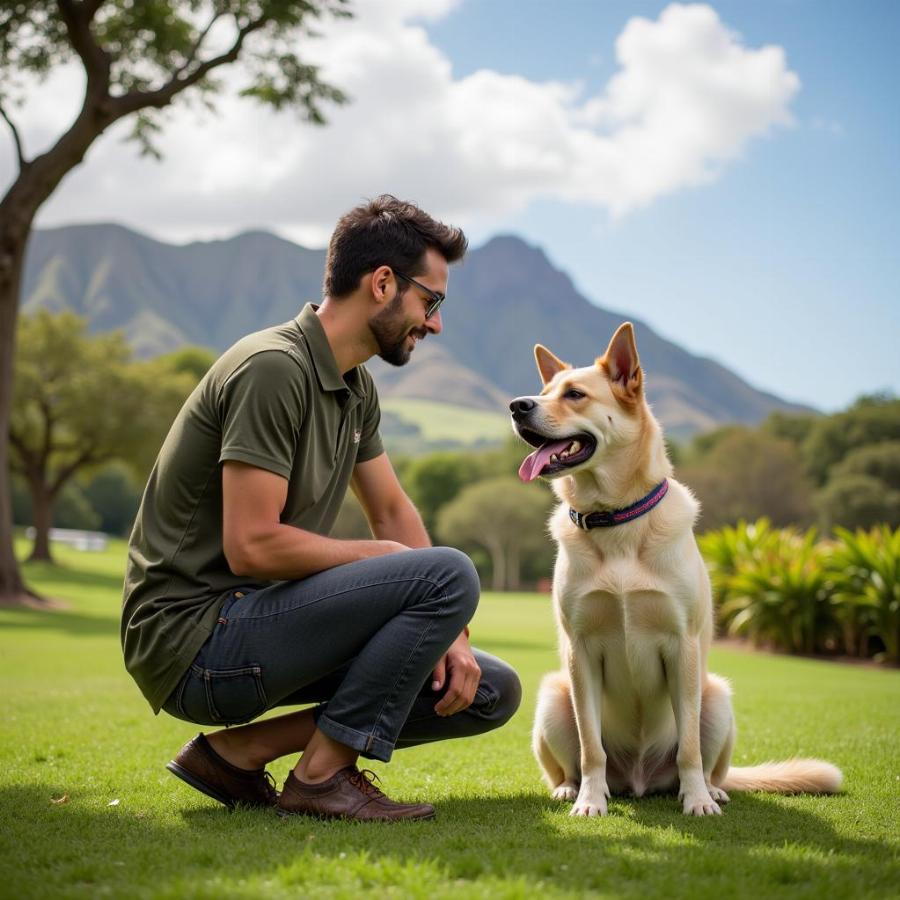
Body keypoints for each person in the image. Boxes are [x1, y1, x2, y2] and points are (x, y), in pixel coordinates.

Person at [121, 195, 521, 822]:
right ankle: (320, 778)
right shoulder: (273, 368)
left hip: (253, 624)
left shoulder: (354, 386)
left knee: (485, 689)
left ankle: (239, 753)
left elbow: (391, 510)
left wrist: (455, 634)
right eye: (431, 301)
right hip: (194, 641)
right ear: (382, 282)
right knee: (447, 571)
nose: (436, 323)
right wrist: (403, 567)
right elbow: (251, 546)